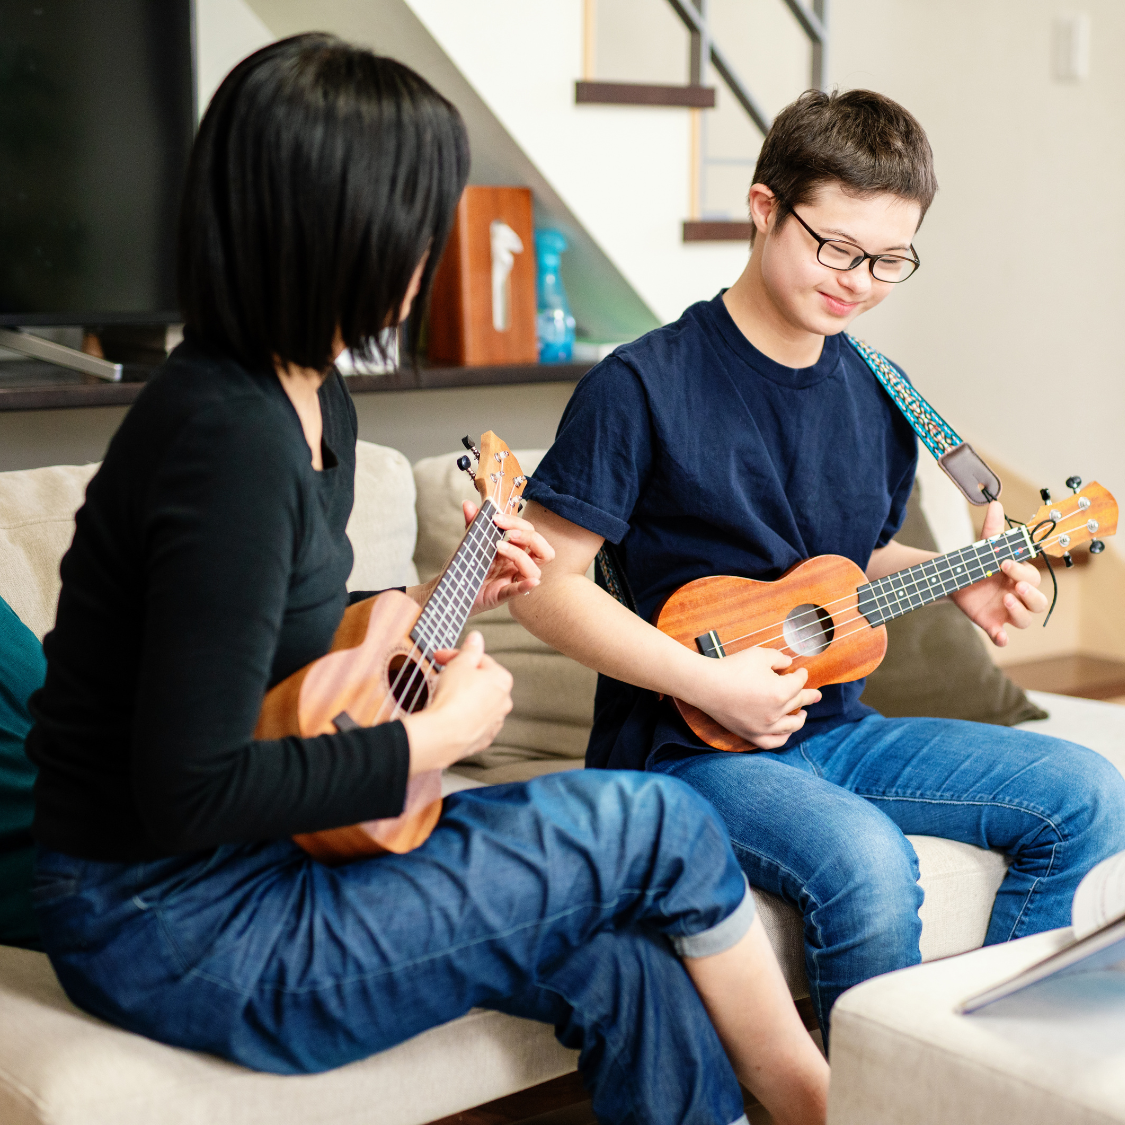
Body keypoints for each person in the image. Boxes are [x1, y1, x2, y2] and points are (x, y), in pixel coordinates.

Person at [25, 36, 830, 1125]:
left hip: (273, 859)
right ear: (341, 229)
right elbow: (187, 791)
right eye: (419, 223)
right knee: (656, 824)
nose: (428, 256)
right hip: (171, 920)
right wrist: (441, 741)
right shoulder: (222, 442)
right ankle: (826, 1106)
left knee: (630, 966)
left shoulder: (313, 405)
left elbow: (269, 646)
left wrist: (446, 598)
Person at [512, 88, 1125, 1036]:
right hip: (685, 747)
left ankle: (983, 1071)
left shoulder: (881, 390)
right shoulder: (638, 384)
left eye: (889, 259)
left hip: (835, 723)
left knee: (1087, 793)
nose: (858, 282)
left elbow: (850, 552)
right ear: (764, 209)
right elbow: (546, 589)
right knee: (868, 861)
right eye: (835, 247)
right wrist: (710, 682)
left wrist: (954, 573)